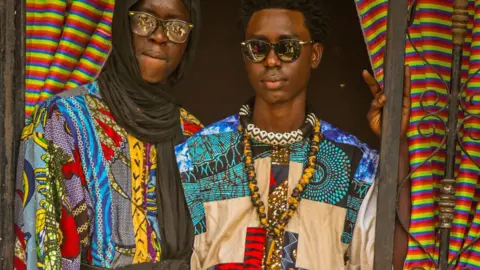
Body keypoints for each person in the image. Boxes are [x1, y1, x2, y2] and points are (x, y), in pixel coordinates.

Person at [175, 0, 411, 269]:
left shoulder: (354, 163)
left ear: (315, 55)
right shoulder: (198, 156)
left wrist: (397, 141)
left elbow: (387, 259)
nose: (272, 60)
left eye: (287, 48)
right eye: (257, 48)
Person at [13, 0, 202, 269]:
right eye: (144, 20)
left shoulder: (197, 138)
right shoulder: (62, 122)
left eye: (176, 27)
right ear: (122, 25)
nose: (159, 36)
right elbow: (39, 255)